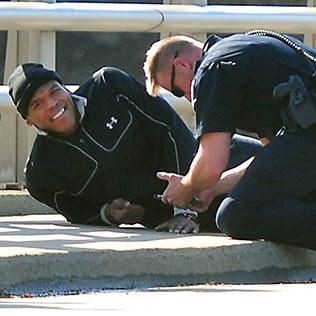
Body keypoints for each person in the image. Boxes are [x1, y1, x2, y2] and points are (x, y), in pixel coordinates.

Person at [143, 30, 316, 250]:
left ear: (183, 64)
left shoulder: (212, 69)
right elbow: (270, 156)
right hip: (307, 142)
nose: (187, 97)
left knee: (236, 215)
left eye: (177, 91)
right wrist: (212, 189)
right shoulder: (245, 48)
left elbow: (212, 164)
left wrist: (186, 188)